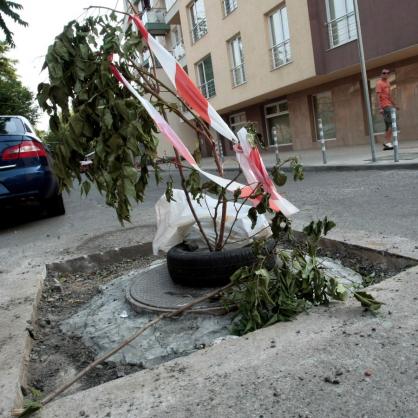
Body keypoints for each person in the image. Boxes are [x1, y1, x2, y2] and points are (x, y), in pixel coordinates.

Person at [376, 69, 398, 151]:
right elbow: (378, 97)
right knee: (393, 123)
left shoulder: (388, 83)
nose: (386, 74)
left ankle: (387, 143)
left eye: (388, 73)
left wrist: (395, 105)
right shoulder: (379, 83)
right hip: (385, 106)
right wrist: (380, 108)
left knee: (388, 125)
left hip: (389, 104)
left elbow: (389, 95)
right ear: (381, 74)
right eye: (384, 73)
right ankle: (387, 141)